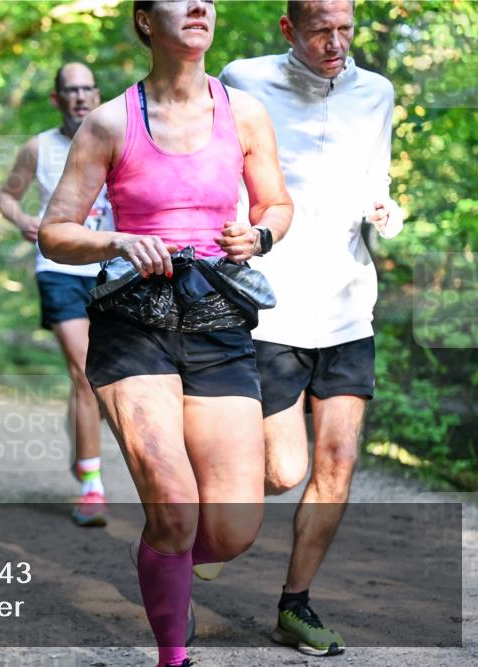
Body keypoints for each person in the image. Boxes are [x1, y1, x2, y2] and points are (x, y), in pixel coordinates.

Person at [39, 1, 293, 665]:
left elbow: (277, 203)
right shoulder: (108, 122)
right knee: (176, 507)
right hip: (134, 324)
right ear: (147, 20)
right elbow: (55, 231)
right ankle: (172, 653)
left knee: (233, 529)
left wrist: (260, 232)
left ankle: (166, 549)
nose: (202, 6)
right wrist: (118, 239)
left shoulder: (244, 114)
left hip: (216, 318)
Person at [219, 0, 404, 656]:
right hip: (272, 308)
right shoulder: (243, 79)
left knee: (338, 459)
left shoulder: (375, 93)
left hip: (349, 306)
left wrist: (390, 211)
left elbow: (375, 188)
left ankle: (294, 603)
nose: (337, 42)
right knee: (279, 469)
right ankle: (209, 538)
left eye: (345, 27)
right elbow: (217, 172)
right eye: (321, 29)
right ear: (288, 29)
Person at [0, 62, 115, 527]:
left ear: (97, 93)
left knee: (103, 383)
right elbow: (7, 195)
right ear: (57, 98)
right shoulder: (38, 148)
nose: (80, 97)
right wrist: (23, 219)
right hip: (59, 267)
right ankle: (92, 488)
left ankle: (79, 439)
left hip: (112, 267)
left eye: (88, 88)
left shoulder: (116, 135)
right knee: (85, 374)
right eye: (71, 90)